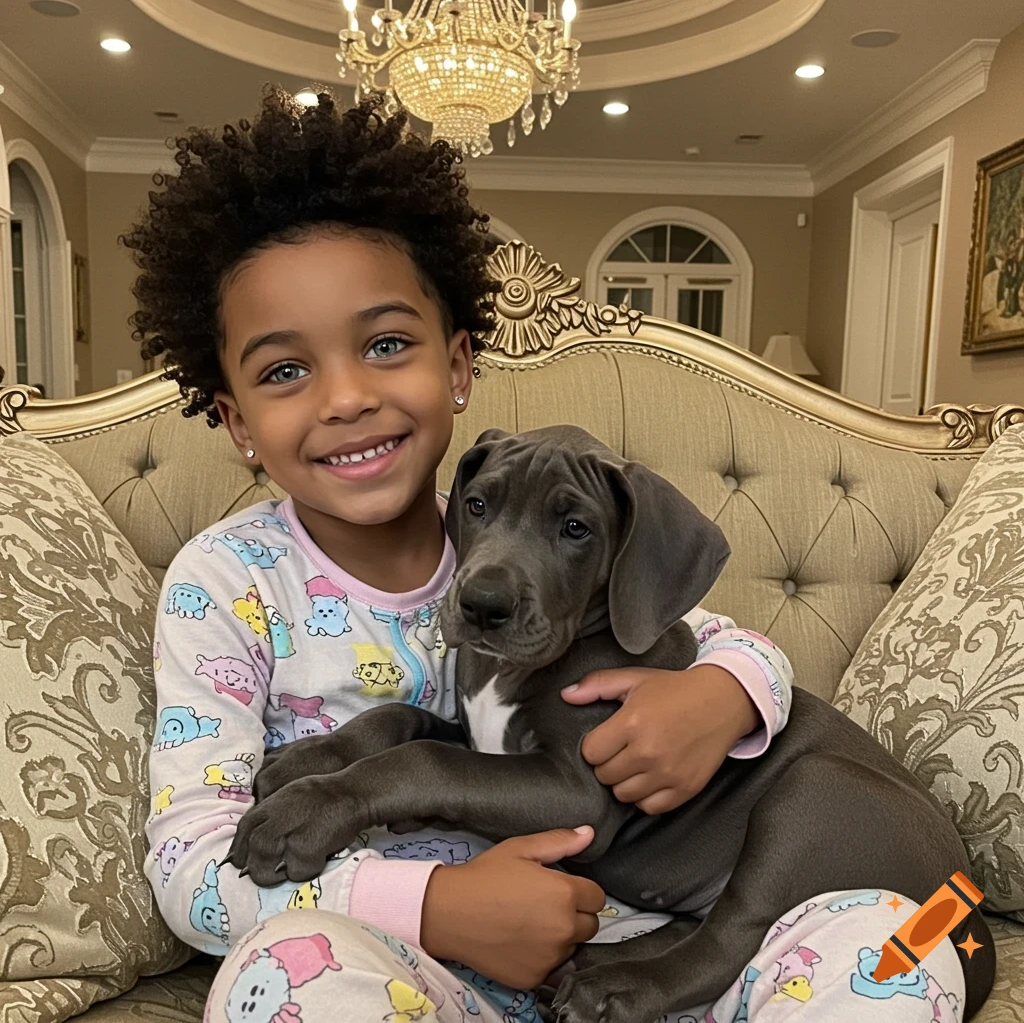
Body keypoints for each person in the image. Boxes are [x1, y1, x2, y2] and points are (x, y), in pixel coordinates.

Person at [124, 88, 966, 1023]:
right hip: (423, 963)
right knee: (283, 974)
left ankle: (709, 953)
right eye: (287, 369)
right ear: (235, 420)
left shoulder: (584, 581)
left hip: (698, 938)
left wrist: (729, 691)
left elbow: (722, 652)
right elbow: (196, 868)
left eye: (386, 344)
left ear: (458, 370)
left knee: (900, 960)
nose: (346, 397)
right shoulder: (229, 583)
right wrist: (426, 880)